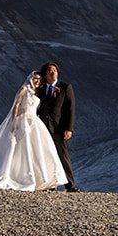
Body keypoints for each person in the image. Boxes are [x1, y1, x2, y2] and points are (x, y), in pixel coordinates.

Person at [37, 62, 77, 192]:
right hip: (42, 129)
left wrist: (69, 128)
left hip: (59, 129)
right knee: (46, 156)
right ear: (45, 74)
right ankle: (50, 185)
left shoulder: (65, 87)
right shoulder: (40, 89)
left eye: (55, 70)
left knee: (63, 156)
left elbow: (70, 109)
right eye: (49, 71)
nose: (53, 73)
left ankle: (70, 185)